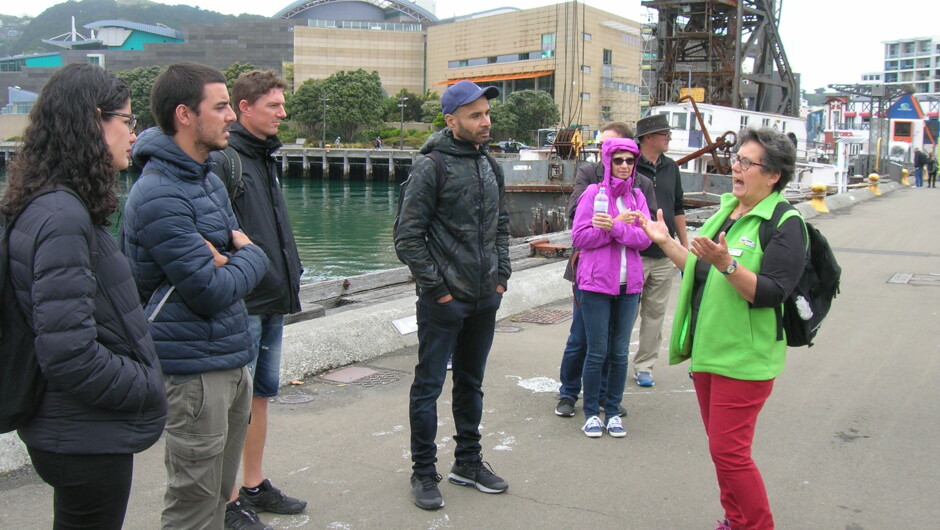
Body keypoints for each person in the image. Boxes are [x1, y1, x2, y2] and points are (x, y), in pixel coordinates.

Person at [2, 63, 167, 529]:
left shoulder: (45, 203)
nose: (134, 134)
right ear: (95, 120)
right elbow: (68, 352)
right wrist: (145, 383)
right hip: (84, 436)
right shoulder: (62, 217)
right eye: (128, 121)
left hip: (69, 428)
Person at [122, 62, 270, 530]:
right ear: (185, 115)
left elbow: (232, 255)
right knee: (192, 505)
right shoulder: (160, 196)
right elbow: (208, 290)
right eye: (221, 106)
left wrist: (236, 259)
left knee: (219, 502)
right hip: (194, 375)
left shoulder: (206, 177)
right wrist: (252, 258)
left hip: (229, 356)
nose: (231, 115)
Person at [638, 127, 807, 530]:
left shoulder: (785, 222)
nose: (735, 166)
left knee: (731, 453)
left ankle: (755, 525)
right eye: (737, 158)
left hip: (744, 358)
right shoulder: (727, 210)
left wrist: (728, 264)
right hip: (709, 352)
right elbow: (699, 269)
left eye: (747, 162)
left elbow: (772, 293)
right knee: (722, 452)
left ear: (773, 175)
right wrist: (665, 241)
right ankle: (735, 519)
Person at [395, 79, 511, 510]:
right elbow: (408, 237)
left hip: (485, 297)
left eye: (486, 113)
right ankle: (424, 471)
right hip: (445, 301)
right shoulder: (431, 165)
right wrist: (438, 290)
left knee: (471, 384)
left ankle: (468, 462)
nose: (486, 122)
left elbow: (500, 225)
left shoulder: (489, 165)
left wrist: (502, 278)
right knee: (427, 387)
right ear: (452, 120)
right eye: (476, 115)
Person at [209, 70, 307, 528]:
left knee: (261, 396)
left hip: (272, 298)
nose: (283, 114)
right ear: (244, 107)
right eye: (274, 105)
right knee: (234, 403)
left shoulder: (264, 157)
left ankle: (253, 483)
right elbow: (212, 235)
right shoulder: (225, 160)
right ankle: (227, 502)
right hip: (243, 301)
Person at [555, 122, 657, 418]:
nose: (623, 163)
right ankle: (569, 394)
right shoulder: (590, 180)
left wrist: (615, 226)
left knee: (614, 347)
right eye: (616, 156)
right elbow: (580, 230)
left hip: (626, 283)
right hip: (592, 277)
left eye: (629, 158)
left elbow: (645, 236)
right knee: (582, 340)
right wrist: (617, 225)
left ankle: (604, 399)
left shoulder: (640, 190)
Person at [632, 113, 689, 388]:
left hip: (665, 254)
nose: (668, 137)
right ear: (647, 138)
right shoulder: (629, 165)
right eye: (664, 133)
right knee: (626, 312)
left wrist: (683, 247)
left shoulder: (672, 168)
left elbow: (678, 207)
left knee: (655, 314)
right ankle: (615, 360)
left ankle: (644, 366)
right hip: (634, 253)